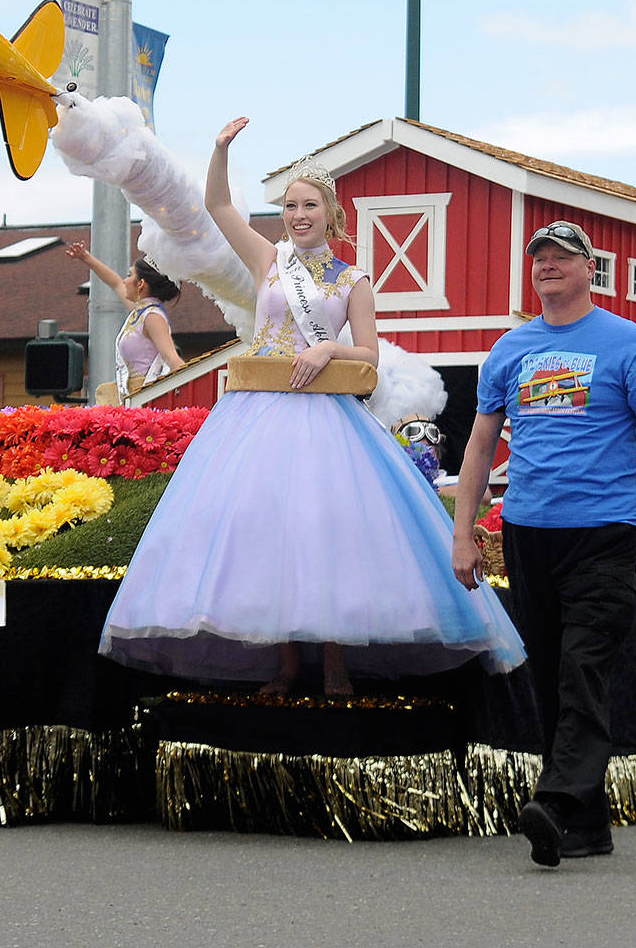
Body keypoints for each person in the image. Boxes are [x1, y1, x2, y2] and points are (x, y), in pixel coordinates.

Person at [99, 119, 524, 697]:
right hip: (258, 414)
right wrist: (220, 150)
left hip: (326, 416)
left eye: (309, 205)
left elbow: (370, 355)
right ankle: (286, 664)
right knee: (269, 531)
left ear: (331, 214)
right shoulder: (268, 261)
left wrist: (329, 347)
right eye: (290, 206)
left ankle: (335, 662)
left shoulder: (353, 280)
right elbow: (217, 206)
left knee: (329, 532)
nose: (298, 215)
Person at [451, 219, 636, 867]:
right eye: (539, 257)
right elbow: (480, 447)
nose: (547, 265)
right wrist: (463, 533)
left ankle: (556, 800)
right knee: (548, 674)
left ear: (588, 269)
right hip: (528, 530)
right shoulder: (510, 348)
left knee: (582, 666)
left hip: (605, 530)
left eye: (561, 257)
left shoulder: (629, 343)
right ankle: (588, 826)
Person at [67, 242, 186, 398]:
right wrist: (85, 257)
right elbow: (115, 282)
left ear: (141, 284)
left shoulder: (152, 317)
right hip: (131, 397)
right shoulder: (140, 311)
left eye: (130, 275)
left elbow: (172, 358)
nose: (125, 280)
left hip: (146, 398)